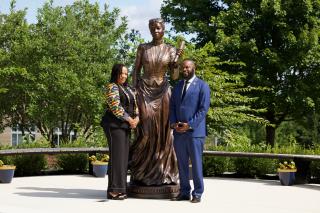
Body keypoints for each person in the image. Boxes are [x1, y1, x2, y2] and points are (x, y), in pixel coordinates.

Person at [130, 18, 182, 186]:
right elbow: (136, 71)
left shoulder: (171, 49)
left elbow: (174, 76)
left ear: (163, 29)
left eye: (158, 28)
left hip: (163, 91)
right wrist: (133, 91)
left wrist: (175, 65)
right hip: (144, 91)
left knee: (164, 132)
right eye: (152, 28)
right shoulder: (143, 48)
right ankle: (141, 170)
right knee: (145, 131)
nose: (155, 31)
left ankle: (163, 172)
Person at [169, 59, 210, 203]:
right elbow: (173, 106)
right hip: (179, 133)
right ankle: (184, 191)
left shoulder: (203, 86)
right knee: (181, 164)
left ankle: (197, 193)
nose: (184, 69)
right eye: (182, 67)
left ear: (194, 68)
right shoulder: (178, 86)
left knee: (197, 164)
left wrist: (190, 125)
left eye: (187, 67)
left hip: (195, 133)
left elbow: (203, 109)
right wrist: (173, 123)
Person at [100, 63, 139, 200]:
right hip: (113, 125)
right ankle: (113, 191)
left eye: (126, 73)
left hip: (125, 126)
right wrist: (130, 120)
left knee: (123, 158)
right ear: (115, 73)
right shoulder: (112, 87)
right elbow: (116, 107)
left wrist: (137, 118)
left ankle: (121, 188)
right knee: (117, 157)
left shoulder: (128, 88)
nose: (124, 76)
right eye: (121, 73)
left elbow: (136, 105)